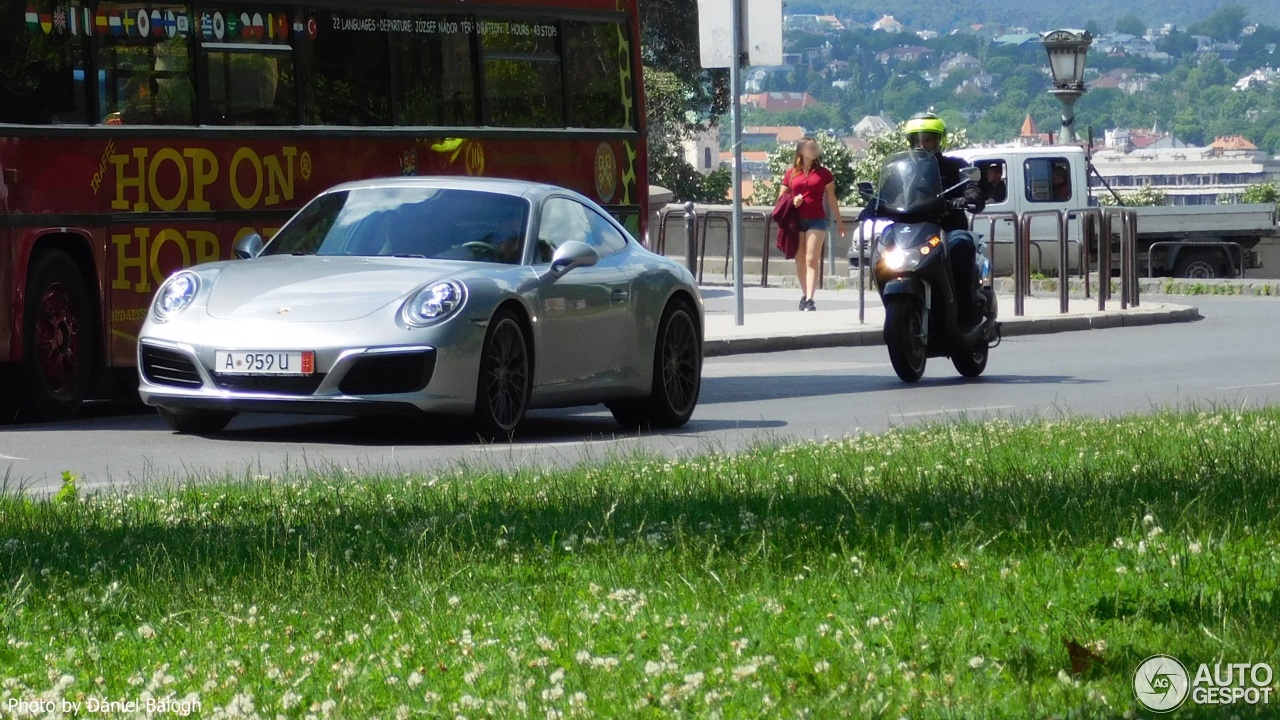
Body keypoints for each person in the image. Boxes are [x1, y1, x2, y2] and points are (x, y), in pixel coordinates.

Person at [902, 112, 988, 321]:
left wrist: (968, 197)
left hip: (948, 228)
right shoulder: (905, 170)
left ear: (939, 141)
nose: (922, 145)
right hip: (915, 231)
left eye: (928, 139)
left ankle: (965, 311)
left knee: (960, 245)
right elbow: (891, 192)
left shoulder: (955, 165)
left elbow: (972, 188)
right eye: (917, 140)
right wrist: (875, 202)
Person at [782, 137, 847, 311]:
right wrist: (793, 200)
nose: (813, 150)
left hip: (817, 219)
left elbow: (832, 198)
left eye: (815, 147)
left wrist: (839, 222)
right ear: (801, 151)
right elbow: (781, 198)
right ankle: (804, 294)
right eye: (810, 147)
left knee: (811, 260)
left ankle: (810, 298)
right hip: (796, 220)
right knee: (800, 260)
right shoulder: (791, 174)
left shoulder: (824, 173)